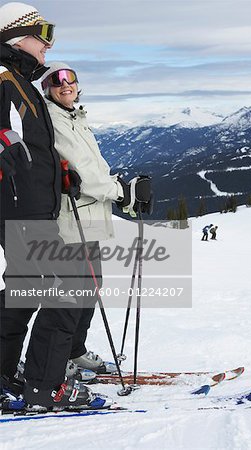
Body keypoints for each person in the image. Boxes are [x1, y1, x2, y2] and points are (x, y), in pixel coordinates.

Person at [0, 2, 112, 411]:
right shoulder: (4, 80)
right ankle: (45, 388)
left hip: (30, 206)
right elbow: (8, 137)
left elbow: (33, 148)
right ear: (16, 36)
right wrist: (8, 153)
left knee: (24, 293)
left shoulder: (20, 83)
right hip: (22, 209)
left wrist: (62, 175)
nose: (48, 45)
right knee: (68, 292)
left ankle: (5, 375)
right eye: (41, 33)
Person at [40, 62, 152, 375]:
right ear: (47, 88)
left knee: (90, 287)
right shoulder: (54, 120)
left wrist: (123, 187)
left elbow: (94, 168)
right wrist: (121, 193)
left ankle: (73, 352)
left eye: (70, 80)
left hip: (88, 220)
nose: (65, 86)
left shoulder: (75, 117)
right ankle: (58, 359)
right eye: (56, 81)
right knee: (72, 294)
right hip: (70, 220)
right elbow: (86, 176)